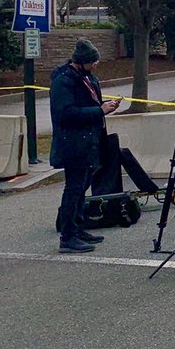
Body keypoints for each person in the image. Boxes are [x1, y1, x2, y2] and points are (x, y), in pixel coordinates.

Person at [49, 38, 121, 253]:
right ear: (80, 62)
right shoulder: (63, 81)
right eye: (92, 62)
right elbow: (66, 114)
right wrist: (100, 111)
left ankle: (78, 227)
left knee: (82, 188)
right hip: (73, 144)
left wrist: (103, 107)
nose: (95, 65)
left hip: (89, 141)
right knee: (73, 189)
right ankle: (68, 236)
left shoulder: (88, 78)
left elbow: (91, 104)